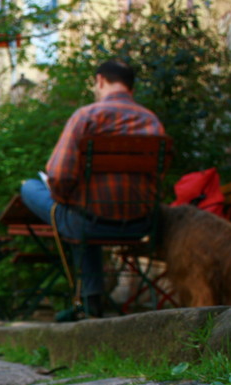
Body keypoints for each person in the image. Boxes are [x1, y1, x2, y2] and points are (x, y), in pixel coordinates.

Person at [19, 59, 165, 319]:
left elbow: (59, 175)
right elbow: (158, 179)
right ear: (131, 86)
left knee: (30, 187)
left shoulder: (87, 116)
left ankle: (87, 301)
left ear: (100, 80)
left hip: (88, 223)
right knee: (82, 215)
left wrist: (65, 198)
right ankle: (89, 302)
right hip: (140, 225)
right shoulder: (152, 122)